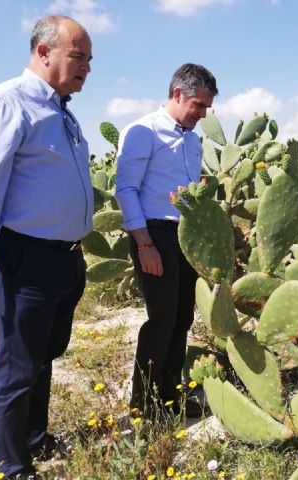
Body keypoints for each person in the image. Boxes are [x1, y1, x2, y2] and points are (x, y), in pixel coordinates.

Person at [0, 16, 93, 479]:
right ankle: (11, 466)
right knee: (17, 366)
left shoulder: (61, 111)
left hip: (64, 258)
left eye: (89, 61)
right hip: (23, 258)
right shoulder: (7, 103)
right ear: (43, 52)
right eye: (78, 57)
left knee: (42, 355)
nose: (86, 69)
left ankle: (34, 437)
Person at [115, 64, 217, 418]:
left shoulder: (193, 139)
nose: (202, 115)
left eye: (206, 108)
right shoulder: (144, 131)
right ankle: (143, 403)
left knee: (182, 318)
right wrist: (144, 244)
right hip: (154, 233)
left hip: (185, 234)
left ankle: (170, 395)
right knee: (160, 319)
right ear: (178, 94)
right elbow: (126, 189)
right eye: (198, 106)